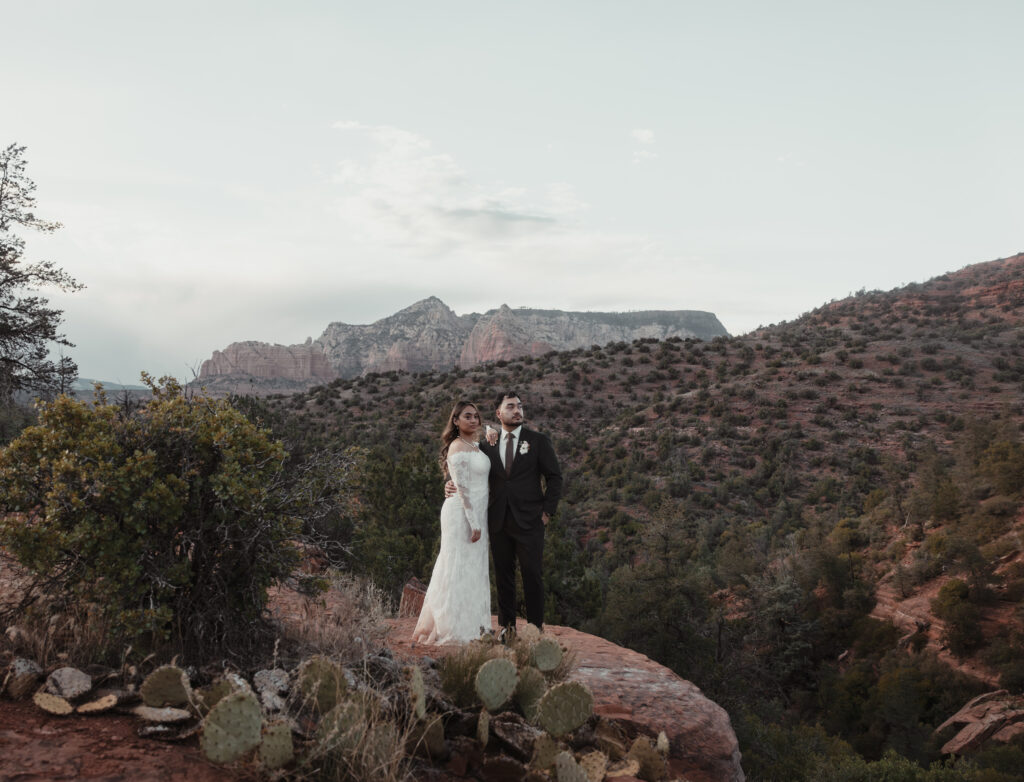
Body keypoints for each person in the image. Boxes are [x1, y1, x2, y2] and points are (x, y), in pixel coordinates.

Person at [481, 390, 563, 637]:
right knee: (503, 576)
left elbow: (555, 477)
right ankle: (508, 629)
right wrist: (449, 482)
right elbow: (469, 468)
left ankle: (536, 629)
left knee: (532, 575)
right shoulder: (488, 445)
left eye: (519, 406)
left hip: (530, 521)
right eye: (510, 407)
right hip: (498, 520)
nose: (517, 411)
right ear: (499, 413)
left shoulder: (537, 441)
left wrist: (547, 512)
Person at [412, 401, 492, 645]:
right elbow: (462, 489)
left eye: (476, 416)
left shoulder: (477, 446)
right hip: (462, 515)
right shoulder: (457, 447)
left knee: (473, 568)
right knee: (455, 566)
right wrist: (473, 522)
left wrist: (493, 432)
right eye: (467, 416)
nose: (473, 420)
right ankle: (450, 628)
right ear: (455, 421)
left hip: (479, 514)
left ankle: (473, 625)